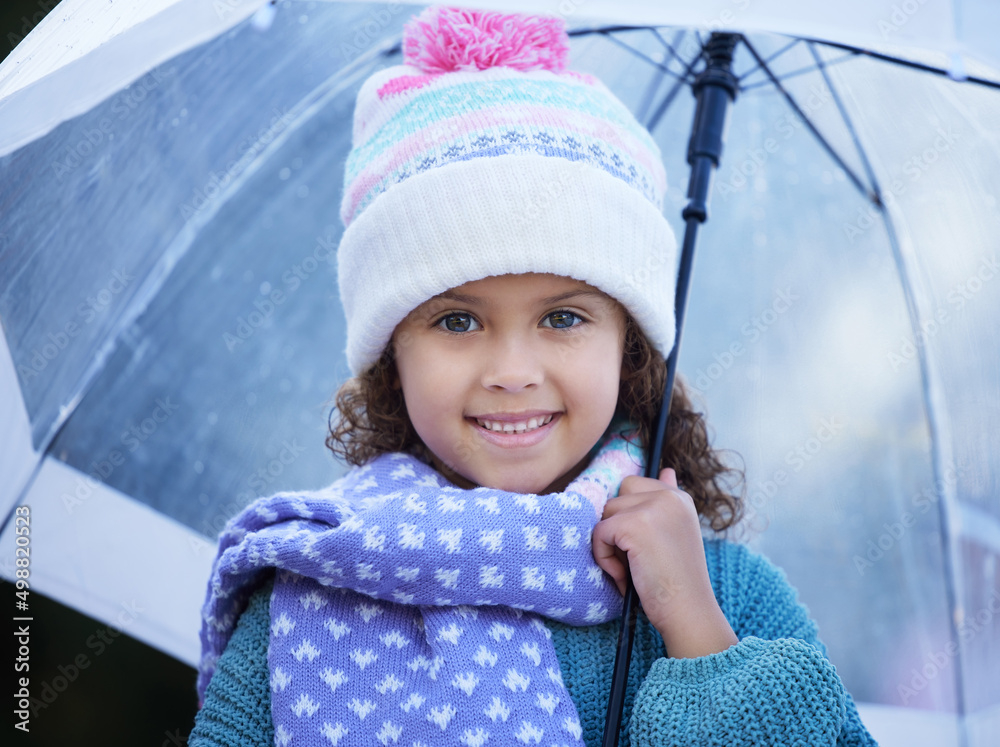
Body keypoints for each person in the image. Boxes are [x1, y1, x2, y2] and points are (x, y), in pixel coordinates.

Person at [190, 7, 878, 746]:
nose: (513, 373)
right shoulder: (317, 583)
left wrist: (699, 634)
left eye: (562, 318)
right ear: (393, 353)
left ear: (631, 348)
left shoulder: (734, 599)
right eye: (457, 321)